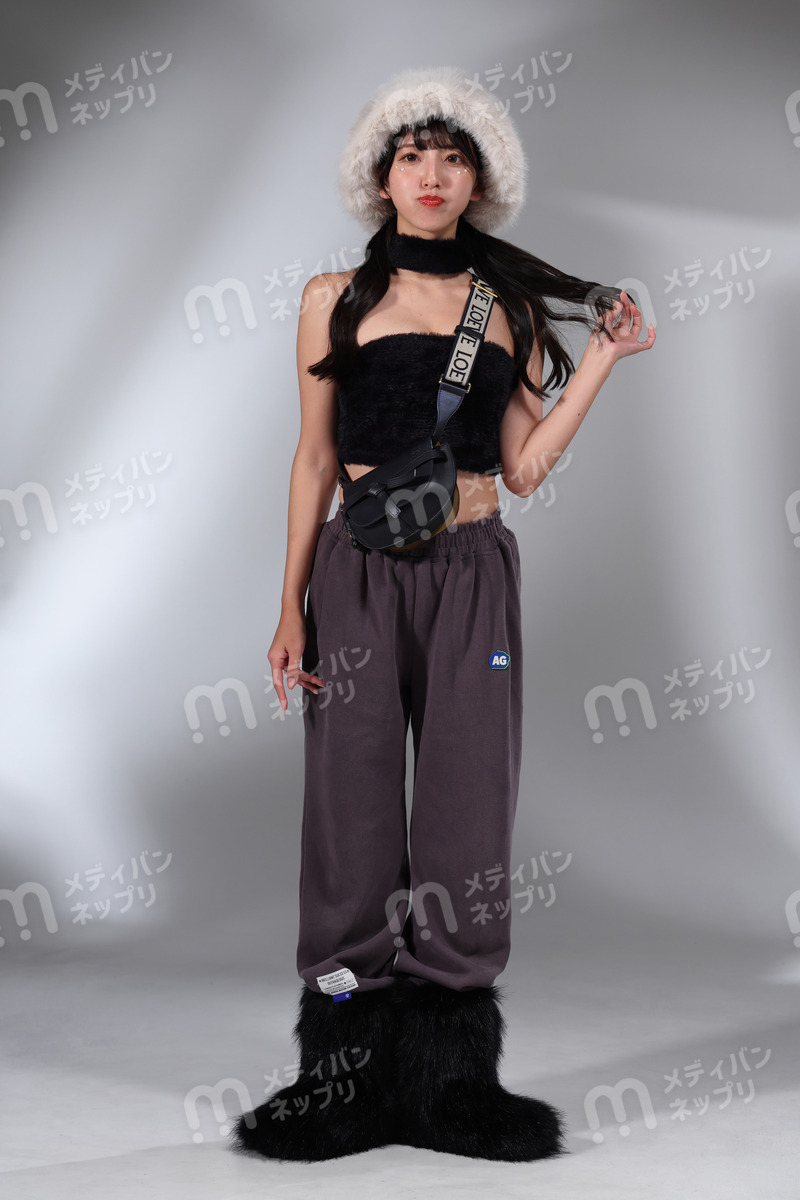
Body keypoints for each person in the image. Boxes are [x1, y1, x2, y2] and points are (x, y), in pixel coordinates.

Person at [230, 64, 655, 1165]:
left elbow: (524, 468)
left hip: (472, 571)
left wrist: (603, 360)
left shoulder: (505, 307)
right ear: (380, 177)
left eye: (452, 157)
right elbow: (313, 458)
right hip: (358, 572)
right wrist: (289, 606)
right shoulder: (334, 297)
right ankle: (339, 1075)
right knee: (349, 811)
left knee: (469, 806)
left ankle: (452, 1081)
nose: (431, 173)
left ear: (479, 180)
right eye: (412, 155)